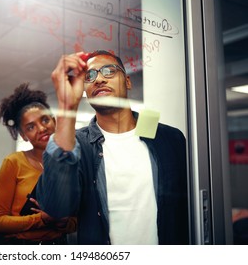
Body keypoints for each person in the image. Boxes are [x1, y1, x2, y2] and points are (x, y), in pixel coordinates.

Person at [36, 50, 189, 245]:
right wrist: (67, 107)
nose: (99, 79)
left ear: (127, 81)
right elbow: (57, 208)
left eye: (108, 71)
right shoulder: (78, 145)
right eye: (89, 76)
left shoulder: (169, 138)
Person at [0, 83, 76, 244]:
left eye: (45, 120)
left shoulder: (69, 164)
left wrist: (64, 223)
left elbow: (77, 221)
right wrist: (41, 219)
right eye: (31, 127)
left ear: (54, 121)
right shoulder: (14, 163)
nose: (41, 128)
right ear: (23, 135)